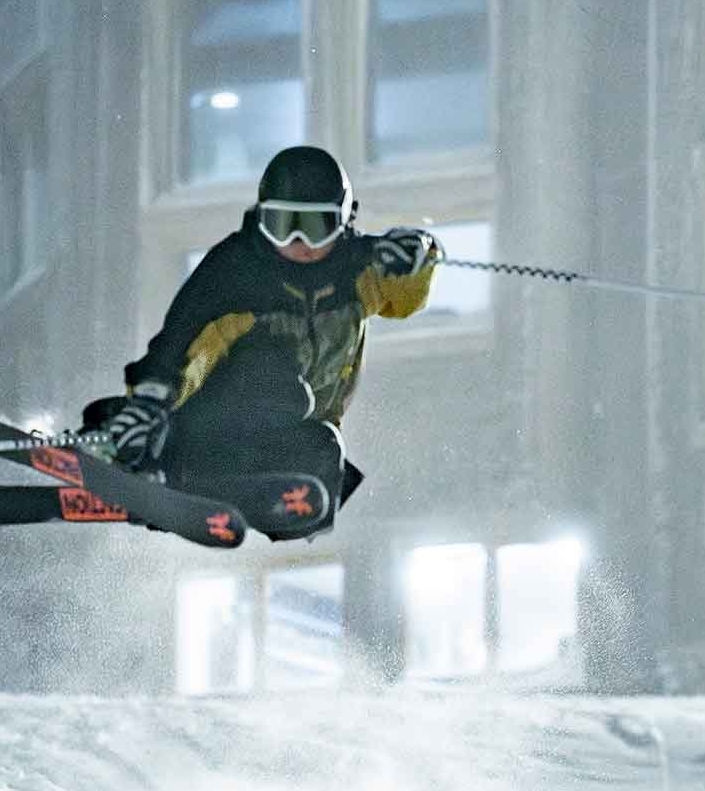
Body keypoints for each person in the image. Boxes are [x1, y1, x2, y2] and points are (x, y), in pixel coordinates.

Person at [84, 145, 443, 541]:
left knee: (326, 452)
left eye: (316, 226)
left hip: (277, 442)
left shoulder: (357, 271)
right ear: (261, 218)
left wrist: (418, 253)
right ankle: (146, 454)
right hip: (210, 426)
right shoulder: (239, 272)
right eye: (282, 223)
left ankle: (271, 505)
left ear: (343, 222)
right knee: (278, 382)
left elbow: (405, 297)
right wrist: (149, 404)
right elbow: (181, 347)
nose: (299, 241)